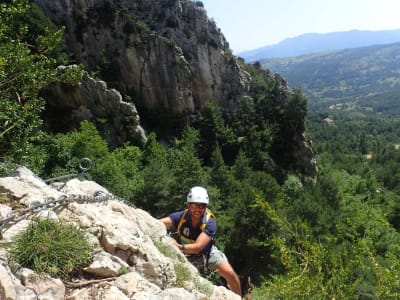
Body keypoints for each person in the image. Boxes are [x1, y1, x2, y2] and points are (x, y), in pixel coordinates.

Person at [160, 186, 242, 296]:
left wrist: (177, 246)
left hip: (206, 253)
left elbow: (198, 246)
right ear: (188, 205)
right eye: (194, 205)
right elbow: (157, 223)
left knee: (230, 274)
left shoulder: (209, 223)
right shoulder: (181, 217)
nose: (198, 209)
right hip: (185, 254)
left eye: (202, 206)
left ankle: (238, 297)